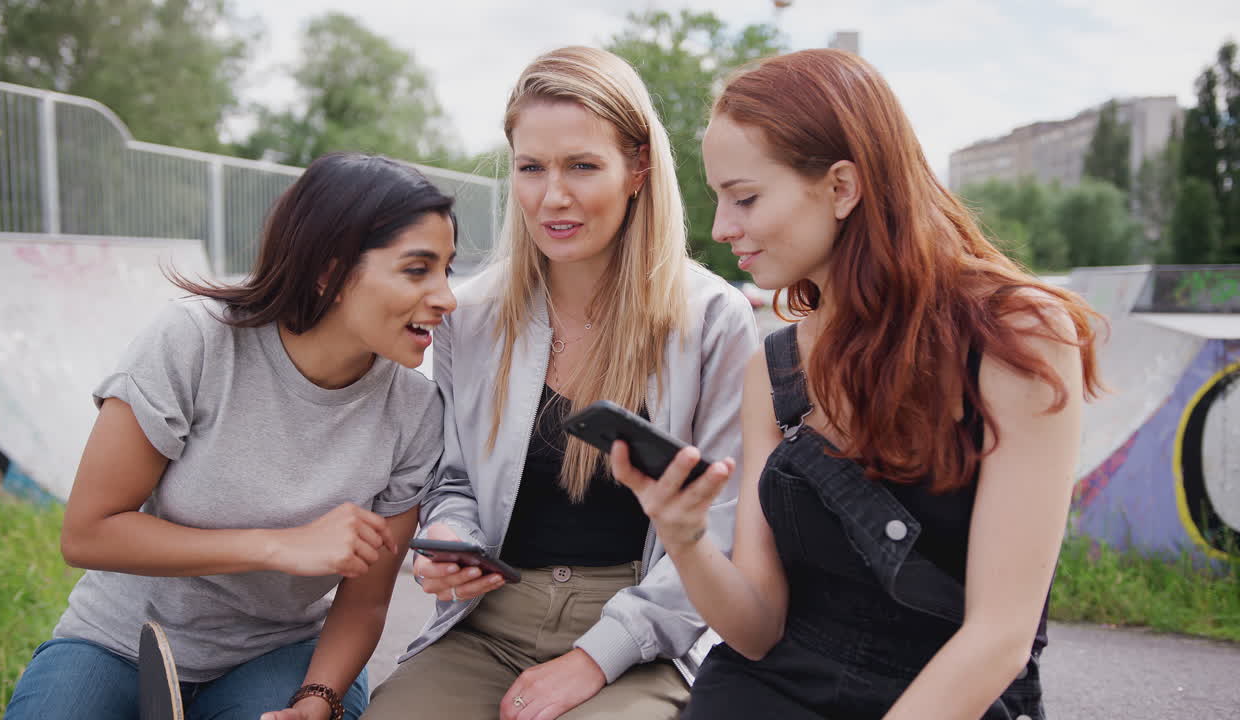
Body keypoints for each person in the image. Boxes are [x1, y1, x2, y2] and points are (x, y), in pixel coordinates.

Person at [612, 49, 1104, 720]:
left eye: (745, 197)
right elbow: (757, 631)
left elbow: (999, 638)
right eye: (719, 199)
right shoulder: (774, 367)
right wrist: (685, 536)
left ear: (842, 187)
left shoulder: (1017, 336)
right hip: (772, 690)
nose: (723, 228)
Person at [364, 46, 758, 720]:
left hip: (645, 633)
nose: (553, 197)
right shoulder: (474, 314)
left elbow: (722, 532)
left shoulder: (713, 319)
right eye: (531, 168)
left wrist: (593, 658)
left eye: (582, 166)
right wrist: (452, 543)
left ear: (637, 168)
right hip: (486, 625)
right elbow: (453, 480)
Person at [4, 152, 459, 720]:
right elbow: (89, 534)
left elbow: (365, 602)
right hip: (123, 641)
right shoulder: (195, 341)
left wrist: (316, 699)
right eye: (418, 269)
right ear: (331, 271)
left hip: (279, 655)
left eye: (447, 268)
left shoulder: (416, 411)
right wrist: (278, 545)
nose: (446, 296)